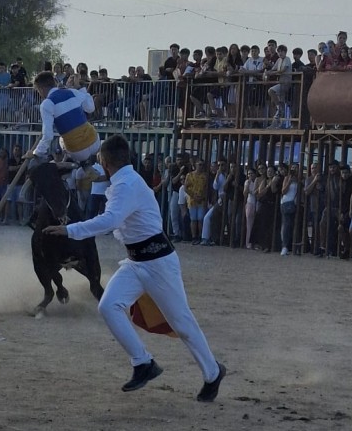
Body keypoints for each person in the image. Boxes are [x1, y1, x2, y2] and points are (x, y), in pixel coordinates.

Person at [43, 134, 226, 402]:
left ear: (105, 162)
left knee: (182, 322)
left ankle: (212, 372)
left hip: (158, 263)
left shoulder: (126, 184)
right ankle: (143, 363)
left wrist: (69, 230)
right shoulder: (125, 181)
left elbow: (111, 220)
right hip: (137, 261)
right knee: (108, 305)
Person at [30, 70, 100, 164]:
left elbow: (48, 136)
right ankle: (88, 166)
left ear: (41, 89)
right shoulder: (72, 91)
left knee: (61, 139)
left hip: (78, 151)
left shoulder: (46, 104)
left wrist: (37, 152)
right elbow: (90, 108)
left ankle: (73, 165)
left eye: (38, 91)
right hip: (95, 141)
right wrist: (80, 88)